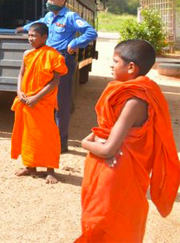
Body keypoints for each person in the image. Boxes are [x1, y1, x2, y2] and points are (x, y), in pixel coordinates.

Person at [76, 40, 180, 242]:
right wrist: (98, 137)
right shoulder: (132, 91)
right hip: (117, 168)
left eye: (115, 61)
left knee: (107, 223)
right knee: (114, 222)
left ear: (131, 67)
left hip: (117, 172)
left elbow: (108, 150)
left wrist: (85, 143)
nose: (111, 65)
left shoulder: (135, 100)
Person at [15, 0, 97, 152]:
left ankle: (61, 143)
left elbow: (91, 32)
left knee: (61, 103)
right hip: (45, 59)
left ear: (62, 1)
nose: (48, 2)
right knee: (45, 99)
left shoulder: (70, 16)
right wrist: (24, 28)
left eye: (52, 0)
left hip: (61, 59)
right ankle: (46, 138)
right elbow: (39, 23)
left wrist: (73, 44)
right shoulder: (48, 16)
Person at [11, 22, 68, 184]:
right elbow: (21, 74)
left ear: (45, 37)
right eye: (29, 35)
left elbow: (55, 81)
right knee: (28, 134)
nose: (30, 39)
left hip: (42, 102)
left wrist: (37, 97)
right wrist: (19, 91)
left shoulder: (53, 56)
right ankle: (30, 166)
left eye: (34, 36)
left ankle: (50, 169)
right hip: (25, 100)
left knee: (47, 135)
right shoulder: (27, 54)